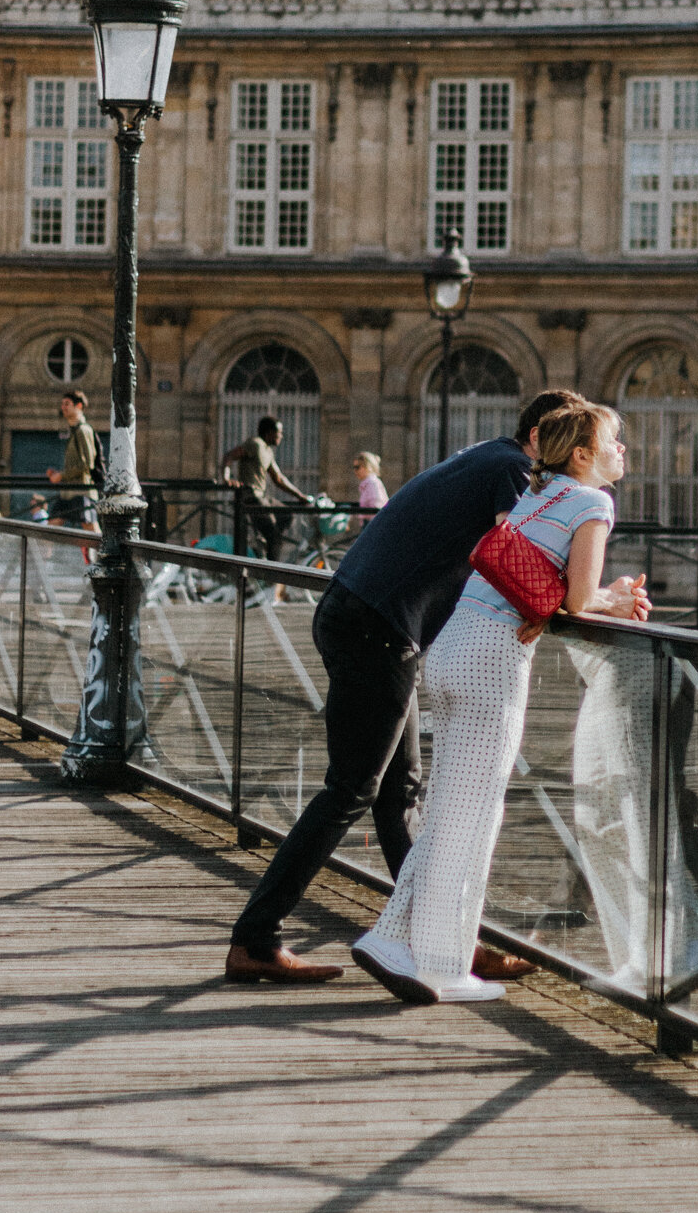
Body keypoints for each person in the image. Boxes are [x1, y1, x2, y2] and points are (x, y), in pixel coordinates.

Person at [225, 387, 583, 984]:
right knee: (351, 790)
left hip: (364, 616)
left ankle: (439, 938)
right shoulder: (513, 469)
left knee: (398, 793)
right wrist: (594, 597)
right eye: (570, 442)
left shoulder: (487, 456)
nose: (574, 458)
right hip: (379, 627)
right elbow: (517, 559)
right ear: (542, 439)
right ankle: (256, 938)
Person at [352, 398, 651, 1005]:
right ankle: (422, 954)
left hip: (453, 645)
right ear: (585, 454)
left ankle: (416, 950)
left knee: (449, 814)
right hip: (493, 660)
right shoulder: (595, 502)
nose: (624, 450)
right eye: (614, 440)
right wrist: (615, 601)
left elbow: (547, 578)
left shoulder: (539, 494)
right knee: (474, 819)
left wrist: (600, 596)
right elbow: (575, 601)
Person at [223, 414, 313, 576]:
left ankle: (264, 541)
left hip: (261, 496)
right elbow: (229, 456)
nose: (281, 436)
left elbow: (279, 479)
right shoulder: (255, 444)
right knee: (274, 538)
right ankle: (270, 575)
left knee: (287, 515)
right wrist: (226, 478)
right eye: (279, 433)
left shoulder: (268, 451)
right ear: (269, 433)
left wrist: (300, 496)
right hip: (250, 496)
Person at [46, 390, 101, 530]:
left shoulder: (83, 430)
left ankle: (106, 552)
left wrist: (61, 475)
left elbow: (87, 464)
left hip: (81, 492)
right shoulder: (74, 431)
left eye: (67, 404)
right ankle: (38, 553)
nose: (63, 407)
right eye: (62, 404)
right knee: (50, 529)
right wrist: (58, 473)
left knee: (92, 533)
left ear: (79, 406)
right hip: (69, 492)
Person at [352, 451, 388, 517]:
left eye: (357, 467)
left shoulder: (372, 484)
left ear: (367, 467)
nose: (355, 471)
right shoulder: (368, 484)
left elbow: (376, 508)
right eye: (354, 467)